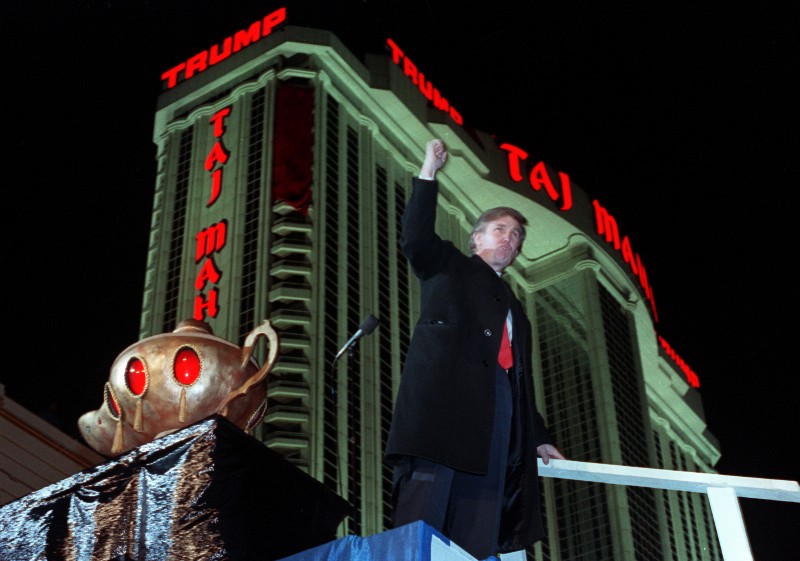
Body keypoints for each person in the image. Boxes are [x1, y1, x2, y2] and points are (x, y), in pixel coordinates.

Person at [385, 139, 565, 560]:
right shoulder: (448, 265)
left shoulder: (515, 310)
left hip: (498, 413)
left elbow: (519, 379)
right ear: (476, 238)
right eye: (500, 229)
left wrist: (538, 438)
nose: (510, 238)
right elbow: (415, 238)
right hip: (445, 408)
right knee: (424, 514)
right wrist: (428, 171)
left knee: (479, 522)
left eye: (516, 235)